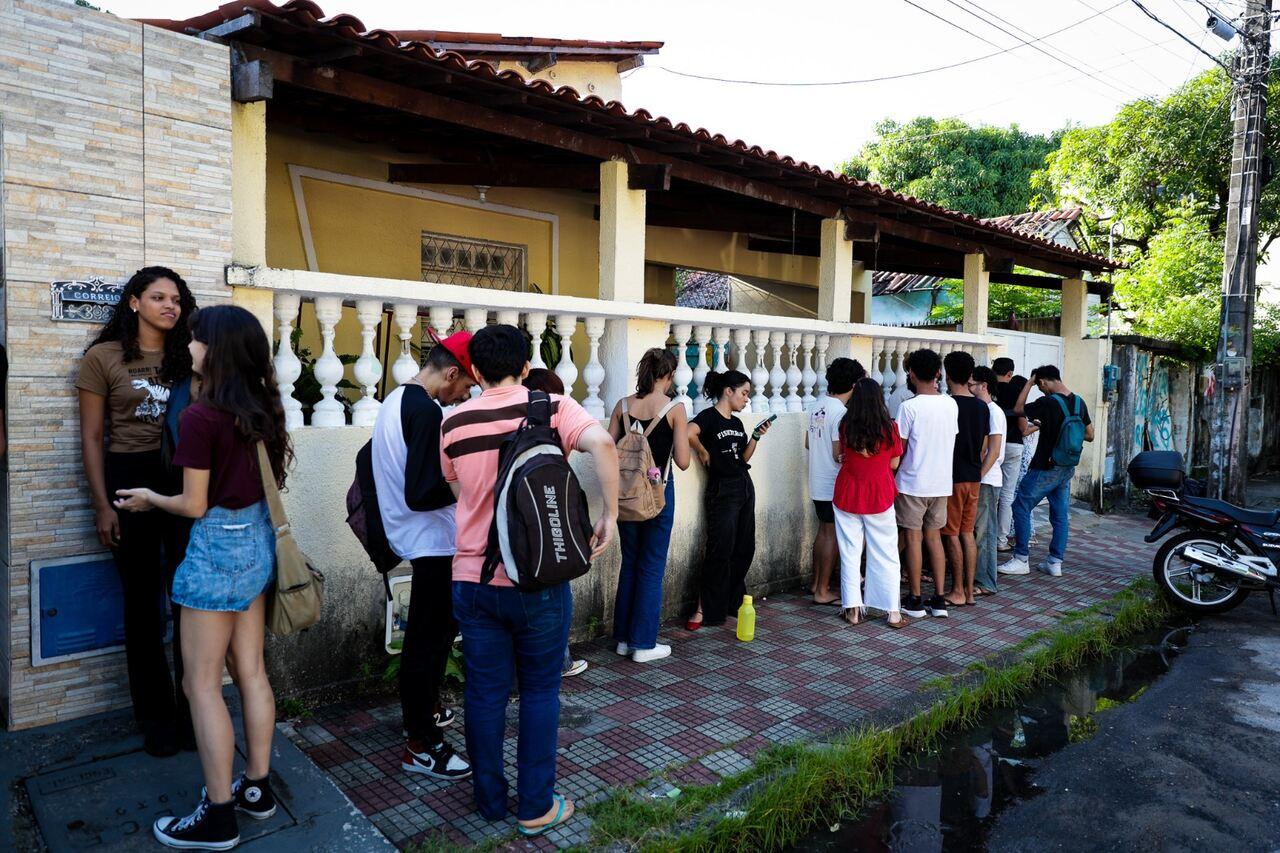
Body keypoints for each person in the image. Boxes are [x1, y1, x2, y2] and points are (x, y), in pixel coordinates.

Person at [114, 305, 290, 850]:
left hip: (215, 550)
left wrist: (147, 498)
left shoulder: (201, 415)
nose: (188, 345)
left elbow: (192, 504)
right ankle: (256, 789)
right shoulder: (263, 407)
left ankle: (218, 816)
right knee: (252, 673)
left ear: (214, 348)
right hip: (257, 543)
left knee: (201, 684)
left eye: (195, 339)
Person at [439, 324, 618, 836]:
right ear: (525, 366)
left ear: (473, 371)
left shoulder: (452, 423)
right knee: (540, 692)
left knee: (484, 693)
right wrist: (608, 516)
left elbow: (456, 489)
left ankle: (490, 801)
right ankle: (536, 806)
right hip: (539, 577)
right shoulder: (550, 409)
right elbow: (603, 443)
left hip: (473, 580)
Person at [76, 267, 198, 757]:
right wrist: (102, 505)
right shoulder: (103, 358)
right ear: (133, 303)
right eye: (157, 297)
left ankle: (196, 713)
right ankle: (156, 719)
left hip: (183, 476)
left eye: (176, 299)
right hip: (128, 477)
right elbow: (90, 437)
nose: (169, 306)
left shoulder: (190, 356)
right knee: (143, 603)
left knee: (189, 599)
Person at [373, 329, 475, 781]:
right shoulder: (428, 411)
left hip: (415, 538)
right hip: (432, 541)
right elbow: (420, 491)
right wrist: (469, 489)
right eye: (466, 386)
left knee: (428, 640)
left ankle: (427, 712)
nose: (464, 395)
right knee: (427, 643)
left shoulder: (396, 399)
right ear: (450, 373)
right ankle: (421, 743)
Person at [607, 349, 690, 662]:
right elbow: (682, 462)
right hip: (657, 496)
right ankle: (643, 644)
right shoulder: (674, 409)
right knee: (651, 568)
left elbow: (606, 449)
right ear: (668, 375)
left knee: (630, 563)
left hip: (624, 496)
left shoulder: (622, 406)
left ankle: (624, 639)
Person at [686, 370, 772, 629]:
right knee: (719, 548)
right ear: (728, 391)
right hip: (722, 489)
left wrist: (756, 436)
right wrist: (702, 452)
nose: (747, 399)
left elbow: (743, 458)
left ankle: (730, 602)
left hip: (744, 486)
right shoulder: (709, 417)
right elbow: (690, 432)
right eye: (744, 393)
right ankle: (703, 609)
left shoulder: (736, 423)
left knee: (744, 548)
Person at [523, 367, 590, 677]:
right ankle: (559, 661)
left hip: (517, 515)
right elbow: (599, 444)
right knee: (556, 583)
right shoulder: (557, 416)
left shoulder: (515, 419)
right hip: (551, 512)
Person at [999, 365, 1093, 578]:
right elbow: (1089, 434)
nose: (1041, 390)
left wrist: (1029, 383)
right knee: (1060, 515)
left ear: (1042, 382)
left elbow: (1018, 409)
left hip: (1046, 465)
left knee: (1021, 505)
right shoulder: (1079, 402)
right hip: (1066, 467)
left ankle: (1021, 558)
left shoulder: (1047, 402)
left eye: (1039, 386)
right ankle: (1055, 562)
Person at [833, 377, 906, 628]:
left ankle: (852, 610)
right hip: (879, 493)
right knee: (886, 553)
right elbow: (894, 463)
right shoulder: (890, 428)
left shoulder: (845, 424)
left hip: (847, 492)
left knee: (850, 552)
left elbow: (841, 455)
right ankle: (893, 612)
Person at [893, 350, 957, 620]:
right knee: (935, 539)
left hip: (912, 482)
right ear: (938, 374)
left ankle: (916, 598)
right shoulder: (950, 404)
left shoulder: (908, 407)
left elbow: (900, 449)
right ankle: (940, 599)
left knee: (913, 539)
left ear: (911, 374)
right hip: (941, 483)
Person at [805, 358, 863, 606]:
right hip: (832, 482)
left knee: (823, 531)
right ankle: (823, 590)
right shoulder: (841, 413)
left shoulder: (815, 406)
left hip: (816, 479)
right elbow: (838, 453)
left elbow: (808, 443)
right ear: (853, 384)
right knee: (831, 535)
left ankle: (817, 583)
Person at [941, 351, 990, 609]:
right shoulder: (983, 407)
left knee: (950, 534)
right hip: (974, 475)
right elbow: (984, 446)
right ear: (970, 375)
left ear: (948, 374)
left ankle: (957, 590)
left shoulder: (948, 405)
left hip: (953, 476)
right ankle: (969, 592)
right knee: (967, 533)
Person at [970, 366, 1005, 596]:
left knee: (984, 532)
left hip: (988, 479)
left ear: (984, 386)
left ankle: (986, 581)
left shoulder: (993, 411)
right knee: (977, 531)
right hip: (983, 478)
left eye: (973, 384)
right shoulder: (984, 410)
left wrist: (978, 476)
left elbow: (993, 452)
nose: (969, 387)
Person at [992, 358, 1028, 552]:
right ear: (1010, 374)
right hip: (1013, 444)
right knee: (1006, 495)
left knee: (989, 493)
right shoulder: (1016, 392)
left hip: (990, 444)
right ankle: (1001, 540)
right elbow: (1023, 427)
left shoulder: (987, 389)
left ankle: (985, 536)